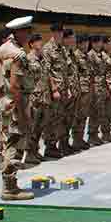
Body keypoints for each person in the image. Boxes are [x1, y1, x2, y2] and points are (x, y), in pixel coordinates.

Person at [0, 16, 35, 201]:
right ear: (19, 32)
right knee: (15, 144)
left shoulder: (1, 50)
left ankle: (8, 184)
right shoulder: (18, 54)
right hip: (15, 104)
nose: (29, 35)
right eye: (27, 31)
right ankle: (10, 188)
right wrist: (22, 111)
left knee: (5, 142)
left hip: (3, 104)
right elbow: (16, 85)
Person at [40, 22, 68, 160]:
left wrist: (66, 88)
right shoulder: (47, 49)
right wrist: (54, 89)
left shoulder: (61, 48)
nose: (59, 34)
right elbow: (47, 71)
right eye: (57, 32)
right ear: (53, 33)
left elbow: (65, 70)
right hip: (53, 91)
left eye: (61, 32)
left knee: (59, 118)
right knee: (51, 119)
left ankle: (56, 144)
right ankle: (49, 147)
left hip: (63, 88)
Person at [25, 33, 48, 164]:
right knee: (31, 127)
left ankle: (35, 150)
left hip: (43, 97)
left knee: (40, 126)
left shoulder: (42, 60)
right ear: (32, 44)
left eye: (41, 41)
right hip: (33, 98)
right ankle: (28, 153)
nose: (41, 44)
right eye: (38, 42)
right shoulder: (28, 59)